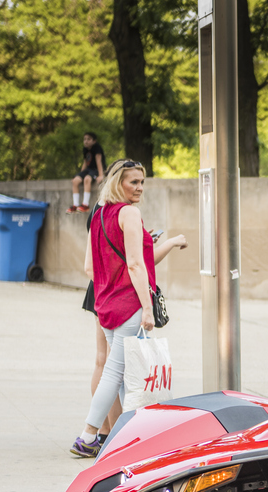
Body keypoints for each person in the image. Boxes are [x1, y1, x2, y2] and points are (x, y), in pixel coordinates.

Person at [70, 160, 186, 457]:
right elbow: (135, 264)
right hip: (128, 305)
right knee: (115, 372)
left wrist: (111, 286)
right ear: (117, 182)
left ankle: (126, 435)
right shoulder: (129, 213)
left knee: (120, 373)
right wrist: (146, 308)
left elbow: (89, 267)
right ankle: (88, 436)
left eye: (142, 182)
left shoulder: (99, 214)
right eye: (133, 182)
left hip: (106, 305)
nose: (139, 188)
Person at [69, 133, 107, 214]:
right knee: (75, 181)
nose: (86, 141)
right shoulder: (85, 149)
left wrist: (101, 175)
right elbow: (85, 162)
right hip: (88, 170)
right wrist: (80, 174)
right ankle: (75, 205)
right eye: (84, 139)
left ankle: (85, 205)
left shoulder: (97, 148)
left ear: (94, 141)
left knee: (87, 179)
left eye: (88, 139)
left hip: (96, 169)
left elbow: (98, 161)